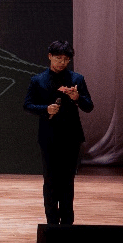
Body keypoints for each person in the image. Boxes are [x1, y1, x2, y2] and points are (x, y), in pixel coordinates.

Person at [24, 40, 94, 225]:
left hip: (71, 137)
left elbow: (89, 106)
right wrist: (45, 109)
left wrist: (77, 97)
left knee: (67, 181)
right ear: (50, 57)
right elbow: (27, 105)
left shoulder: (77, 79)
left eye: (66, 59)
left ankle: (67, 224)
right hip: (48, 137)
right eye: (58, 58)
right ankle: (52, 224)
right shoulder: (38, 80)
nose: (62, 62)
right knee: (50, 180)